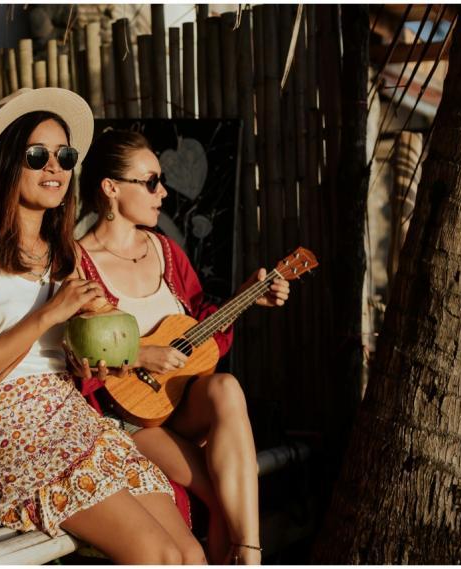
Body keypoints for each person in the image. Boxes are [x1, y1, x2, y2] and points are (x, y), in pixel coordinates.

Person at [0, 88, 206, 564]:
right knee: (157, 555)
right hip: (8, 428)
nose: (55, 168)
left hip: (73, 417)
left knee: (188, 552)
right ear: (7, 162)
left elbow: (72, 359)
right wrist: (48, 314)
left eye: (64, 157)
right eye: (37, 155)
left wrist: (93, 364)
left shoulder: (63, 254)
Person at [75, 129, 291, 564]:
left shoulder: (166, 251)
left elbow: (198, 328)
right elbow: (76, 356)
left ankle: (250, 552)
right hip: (130, 421)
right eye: (151, 182)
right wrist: (139, 355)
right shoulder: (78, 264)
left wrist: (246, 297)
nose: (163, 193)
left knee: (226, 386)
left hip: (183, 403)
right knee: (221, 495)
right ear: (111, 188)